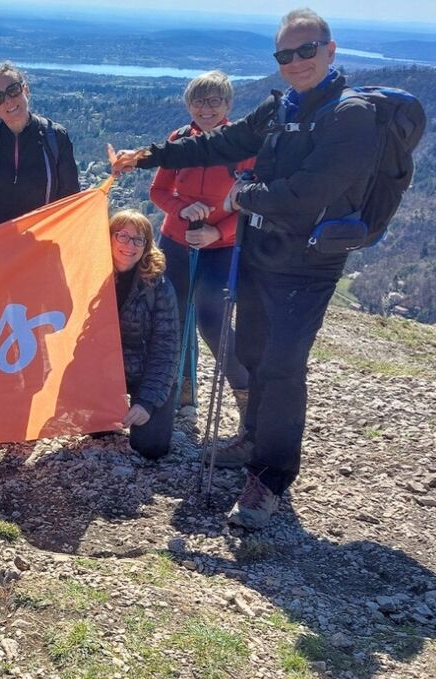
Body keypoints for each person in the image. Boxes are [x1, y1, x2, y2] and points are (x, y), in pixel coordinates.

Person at [110, 8, 379, 529]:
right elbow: (217, 144)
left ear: (330, 50)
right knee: (254, 350)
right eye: (285, 53)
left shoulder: (351, 116)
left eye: (307, 50)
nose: (296, 61)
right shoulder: (280, 108)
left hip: (308, 263)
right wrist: (146, 156)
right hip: (258, 252)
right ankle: (253, 440)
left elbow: (308, 192)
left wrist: (240, 197)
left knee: (281, 364)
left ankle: (270, 478)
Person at [149, 70, 252, 421]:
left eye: (214, 101)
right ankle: (182, 391)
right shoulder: (179, 140)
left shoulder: (244, 145)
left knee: (212, 322)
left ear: (228, 105)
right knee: (173, 318)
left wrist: (216, 233)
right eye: (198, 101)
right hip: (176, 242)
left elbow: (254, 203)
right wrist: (181, 208)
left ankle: (246, 393)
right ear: (188, 104)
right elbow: (158, 191)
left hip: (221, 247)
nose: (205, 108)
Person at [0, 62, 80, 233]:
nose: (8, 100)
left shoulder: (55, 137)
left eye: (13, 90)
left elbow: (70, 199)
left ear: (26, 90)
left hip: (36, 244)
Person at [109, 210, 179, 459]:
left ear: (147, 245)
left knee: (151, 447)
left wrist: (147, 401)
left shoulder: (159, 286)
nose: (130, 245)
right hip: (106, 372)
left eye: (138, 239)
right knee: (98, 431)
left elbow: (166, 349)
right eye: (122, 236)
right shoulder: (92, 276)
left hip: (146, 373)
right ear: (109, 237)